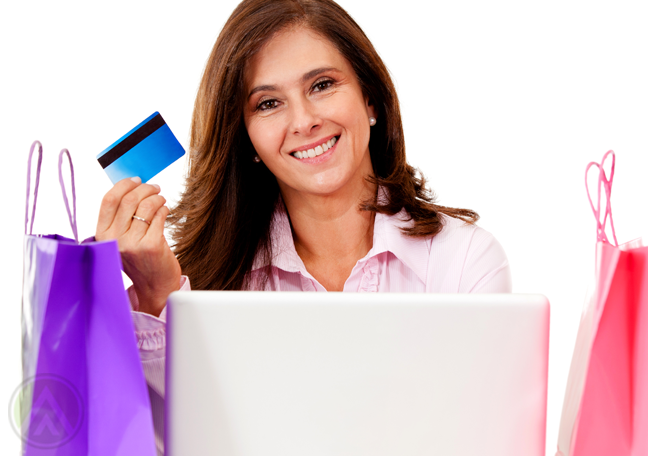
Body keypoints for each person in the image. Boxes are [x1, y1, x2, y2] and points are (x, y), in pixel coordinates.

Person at [95, 0, 511, 453]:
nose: (304, 121)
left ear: (370, 98)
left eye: (323, 84)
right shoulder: (209, 286)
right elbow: (183, 443)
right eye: (269, 103)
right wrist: (160, 294)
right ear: (247, 137)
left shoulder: (465, 262)